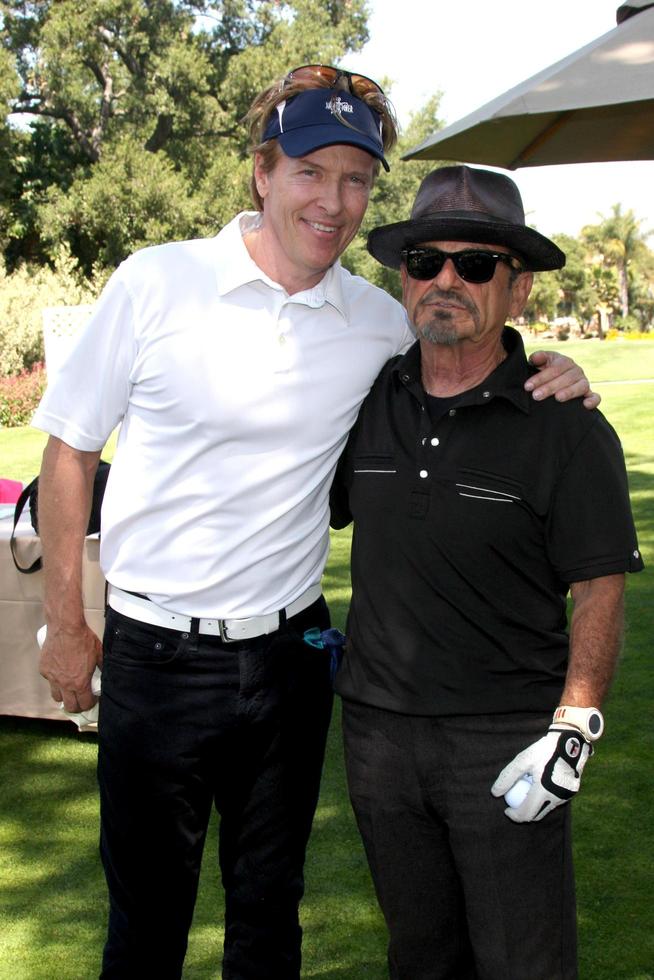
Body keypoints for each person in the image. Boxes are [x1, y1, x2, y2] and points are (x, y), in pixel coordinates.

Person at [33, 65, 596, 979]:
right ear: (263, 172)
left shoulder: (378, 320)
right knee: (146, 922)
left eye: (357, 179)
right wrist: (68, 621)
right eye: (310, 171)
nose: (333, 202)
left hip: (291, 659)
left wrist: (558, 372)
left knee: (268, 916)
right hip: (155, 657)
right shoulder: (158, 283)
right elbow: (68, 453)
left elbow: (471, 338)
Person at [330, 165, 644, 980]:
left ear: (518, 289)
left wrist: (571, 731)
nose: (446, 281)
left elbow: (600, 588)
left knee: (523, 962)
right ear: (404, 277)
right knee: (420, 957)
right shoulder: (370, 400)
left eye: (475, 266)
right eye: (427, 261)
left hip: (504, 741)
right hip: (377, 736)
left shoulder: (564, 427)